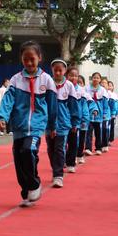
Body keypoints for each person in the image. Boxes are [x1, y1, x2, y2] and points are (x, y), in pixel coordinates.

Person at [0, 41, 57, 207]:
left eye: (32, 59)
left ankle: (35, 184)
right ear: (21, 59)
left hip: (36, 127)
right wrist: (2, 117)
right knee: (19, 160)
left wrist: (52, 126)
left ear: (40, 58)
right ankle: (26, 192)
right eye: (25, 59)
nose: (29, 63)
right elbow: (7, 101)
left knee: (28, 150)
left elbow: (52, 106)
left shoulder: (47, 80)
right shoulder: (16, 80)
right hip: (18, 127)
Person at [46, 59, 79, 188]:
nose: (58, 72)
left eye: (61, 70)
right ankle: (55, 168)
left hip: (64, 122)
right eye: (56, 70)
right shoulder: (48, 84)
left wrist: (75, 122)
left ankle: (58, 175)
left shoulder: (69, 85)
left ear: (65, 71)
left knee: (59, 149)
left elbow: (73, 105)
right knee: (51, 149)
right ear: (52, 71)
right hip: (49, 122)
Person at [75, 75, 96, 164]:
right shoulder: (70, 93)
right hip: (74, 120)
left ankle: (80, 155)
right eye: (77, 82)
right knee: (74, 139)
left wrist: (94, 110)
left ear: (83, 85)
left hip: (84, 120)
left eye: (81, 83)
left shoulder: (86, 95)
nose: (79, 85)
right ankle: (72, 156)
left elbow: (92, 104)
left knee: (82, 138)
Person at [85, 72, 107, 155]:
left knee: (98, 132)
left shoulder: (102, 90)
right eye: (94, 77)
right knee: (89, 131)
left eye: (98, 78)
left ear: (100, 80)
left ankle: (98, 148)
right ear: (92, 78)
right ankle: (88, 148)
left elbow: (105, 103)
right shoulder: (86, 88)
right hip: (89, 112)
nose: (96, 79)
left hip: (99, 114)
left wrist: (104, 113)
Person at [107, 81, 118, 146]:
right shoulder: (106, 94)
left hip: (113, 114)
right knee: (107, 127)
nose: (109, 87)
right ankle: (106, 139)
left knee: (111, 127)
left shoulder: (115, 95)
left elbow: (117, 105)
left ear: (113, 87)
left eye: (110, 85)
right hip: (107, 113)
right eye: (108, 85)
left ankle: (110, 140)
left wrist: (117, 113)